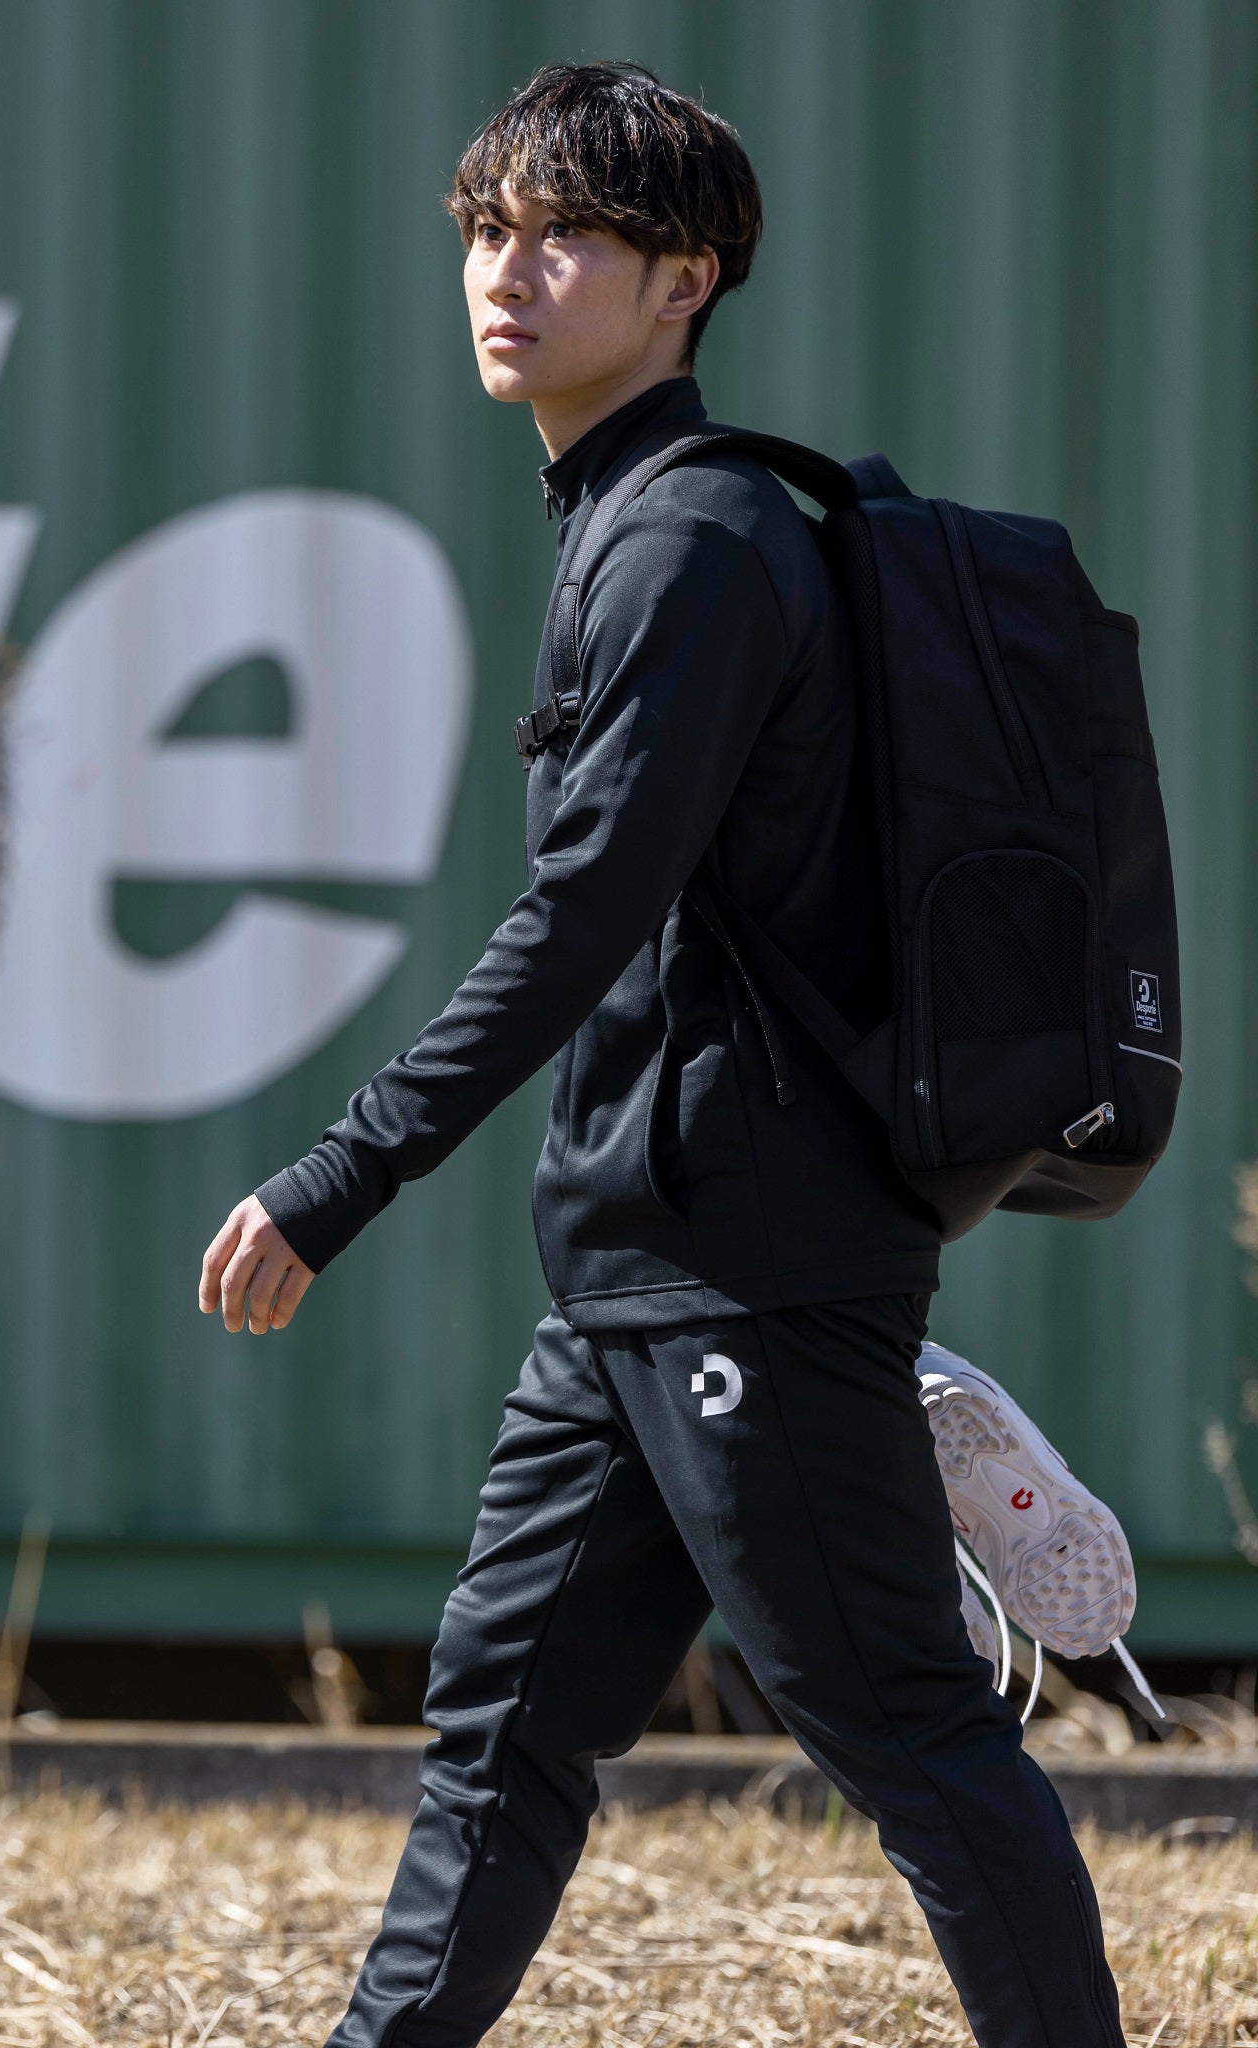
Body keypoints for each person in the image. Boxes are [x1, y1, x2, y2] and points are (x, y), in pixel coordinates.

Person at [197, 61, 1124, 2048]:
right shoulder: (636, 523)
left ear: (684, 280)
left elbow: (586, 909)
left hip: (747, 1260)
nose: (504, 272)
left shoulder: (694, 541)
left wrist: (341, 1173)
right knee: (502, 1718)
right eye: (486, 229)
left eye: (566, 237)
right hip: (642, 1259)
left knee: (902, 1728)